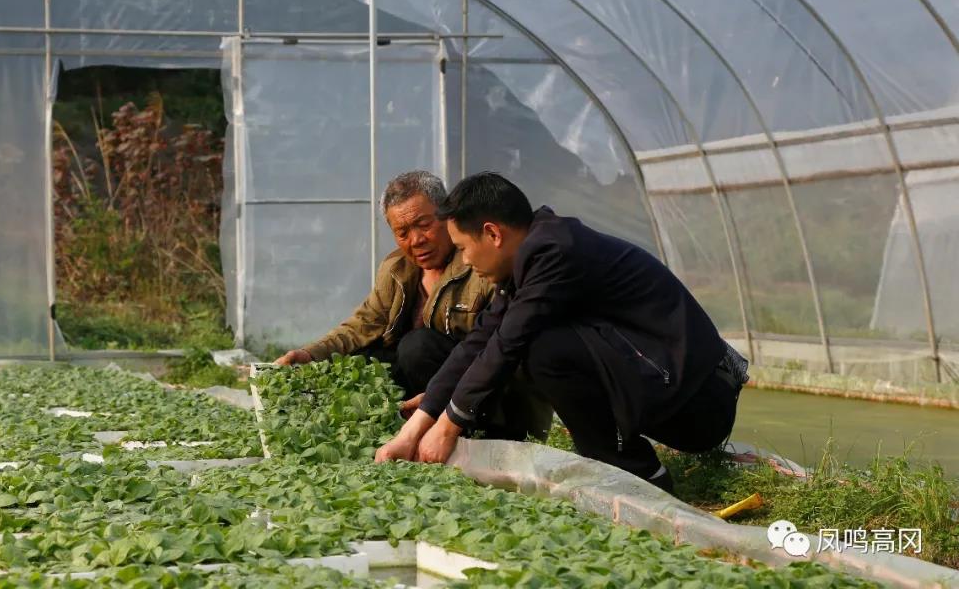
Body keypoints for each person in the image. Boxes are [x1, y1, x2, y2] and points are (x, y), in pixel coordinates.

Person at [375, 172, 748, 492]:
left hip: (700, 406)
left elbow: (507, 344)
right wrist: (416, 429)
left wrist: (449, 427)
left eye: (464, 248)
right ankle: (617, 459)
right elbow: (481, 341)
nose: (466, 260)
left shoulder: (555, 252)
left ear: (493, 233)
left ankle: (638, 473)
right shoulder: (533, 256)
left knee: (541, 347)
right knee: (518, 343)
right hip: (676, 393)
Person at [273, 170, 492, 400]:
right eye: (403, 232)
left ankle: (453, 421)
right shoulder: (396, 269)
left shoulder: (477, 265)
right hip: (413, 380)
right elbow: (363, 324)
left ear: (447, 215)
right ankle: (389, 418)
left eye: (424, 224)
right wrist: (309, 354)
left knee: (416, 347)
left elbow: (491, 347)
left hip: (466, 384)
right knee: (358, 357)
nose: (416, 240)